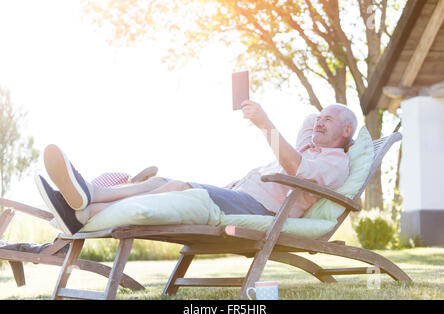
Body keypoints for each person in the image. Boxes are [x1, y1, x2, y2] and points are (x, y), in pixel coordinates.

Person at [35, 100, 357, 236]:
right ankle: (89, 194)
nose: (319, 122)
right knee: (161, 180)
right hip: (241, 193)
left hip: (264, 209)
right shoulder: (309, 144)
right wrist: (320, 122)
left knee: (180, 188)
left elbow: (294, 167)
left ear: (346, 132)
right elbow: (306, 122)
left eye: (329, 119)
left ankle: (86, 213)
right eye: (320, 117)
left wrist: (264, 124)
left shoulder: (334, 163)